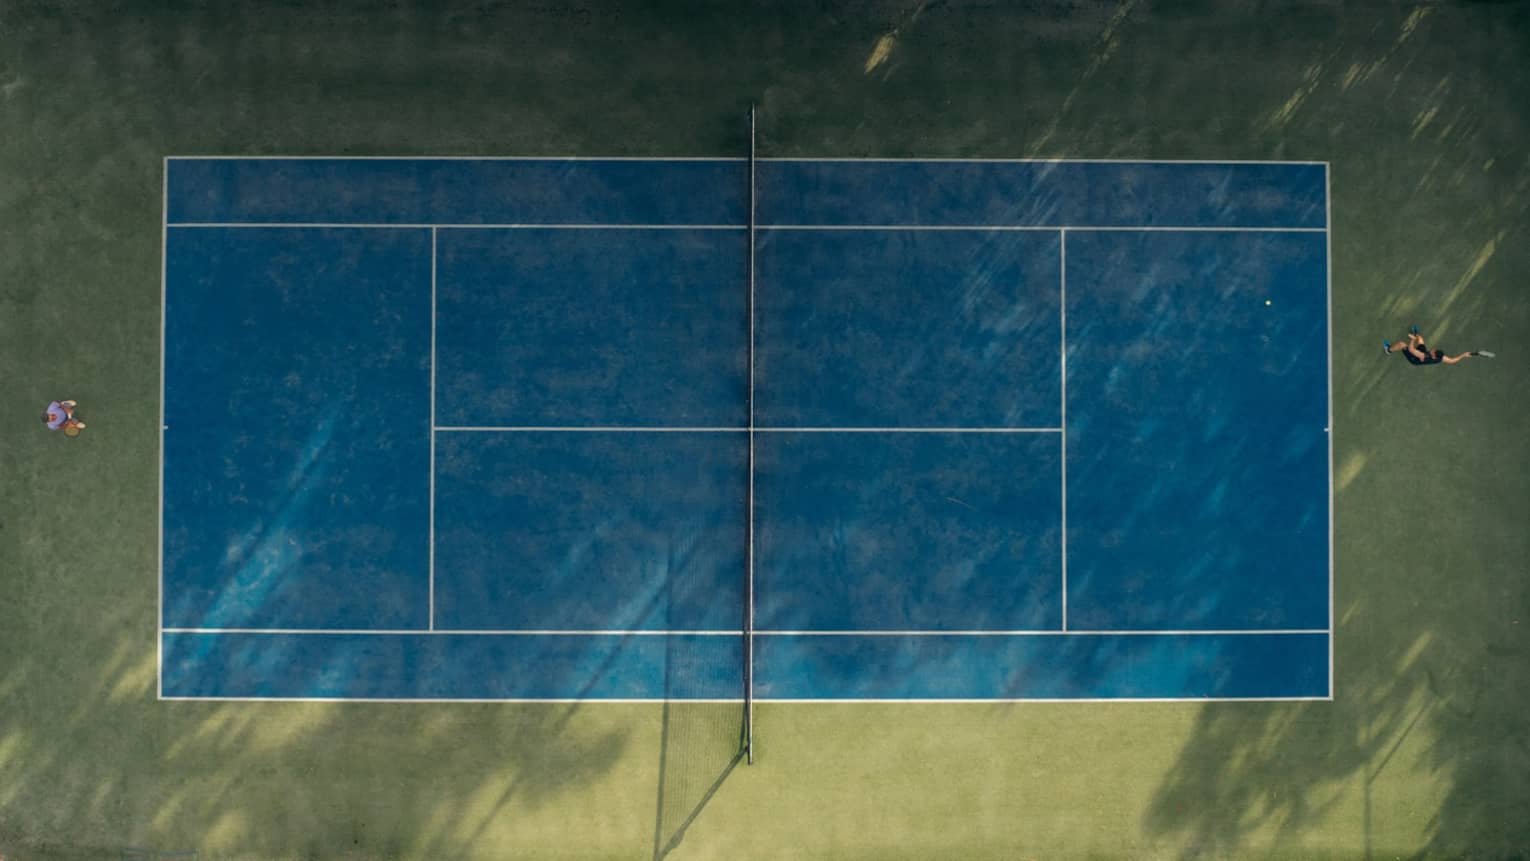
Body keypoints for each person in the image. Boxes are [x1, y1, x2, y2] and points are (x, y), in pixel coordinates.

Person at [1383, 326, 1488, 366]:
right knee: (1420, 339)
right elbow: (1452, 361)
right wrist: (1464, 355)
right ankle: (1415, 335)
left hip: (1414, 358)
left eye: (1433, 351)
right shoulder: (1440, 357)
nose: (1433, 349)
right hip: (1422, 353)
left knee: (1402, 344)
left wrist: (1412, 340)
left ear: (1432, 356)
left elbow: (1411, 349)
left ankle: (1388, 350)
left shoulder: (1423, 356)